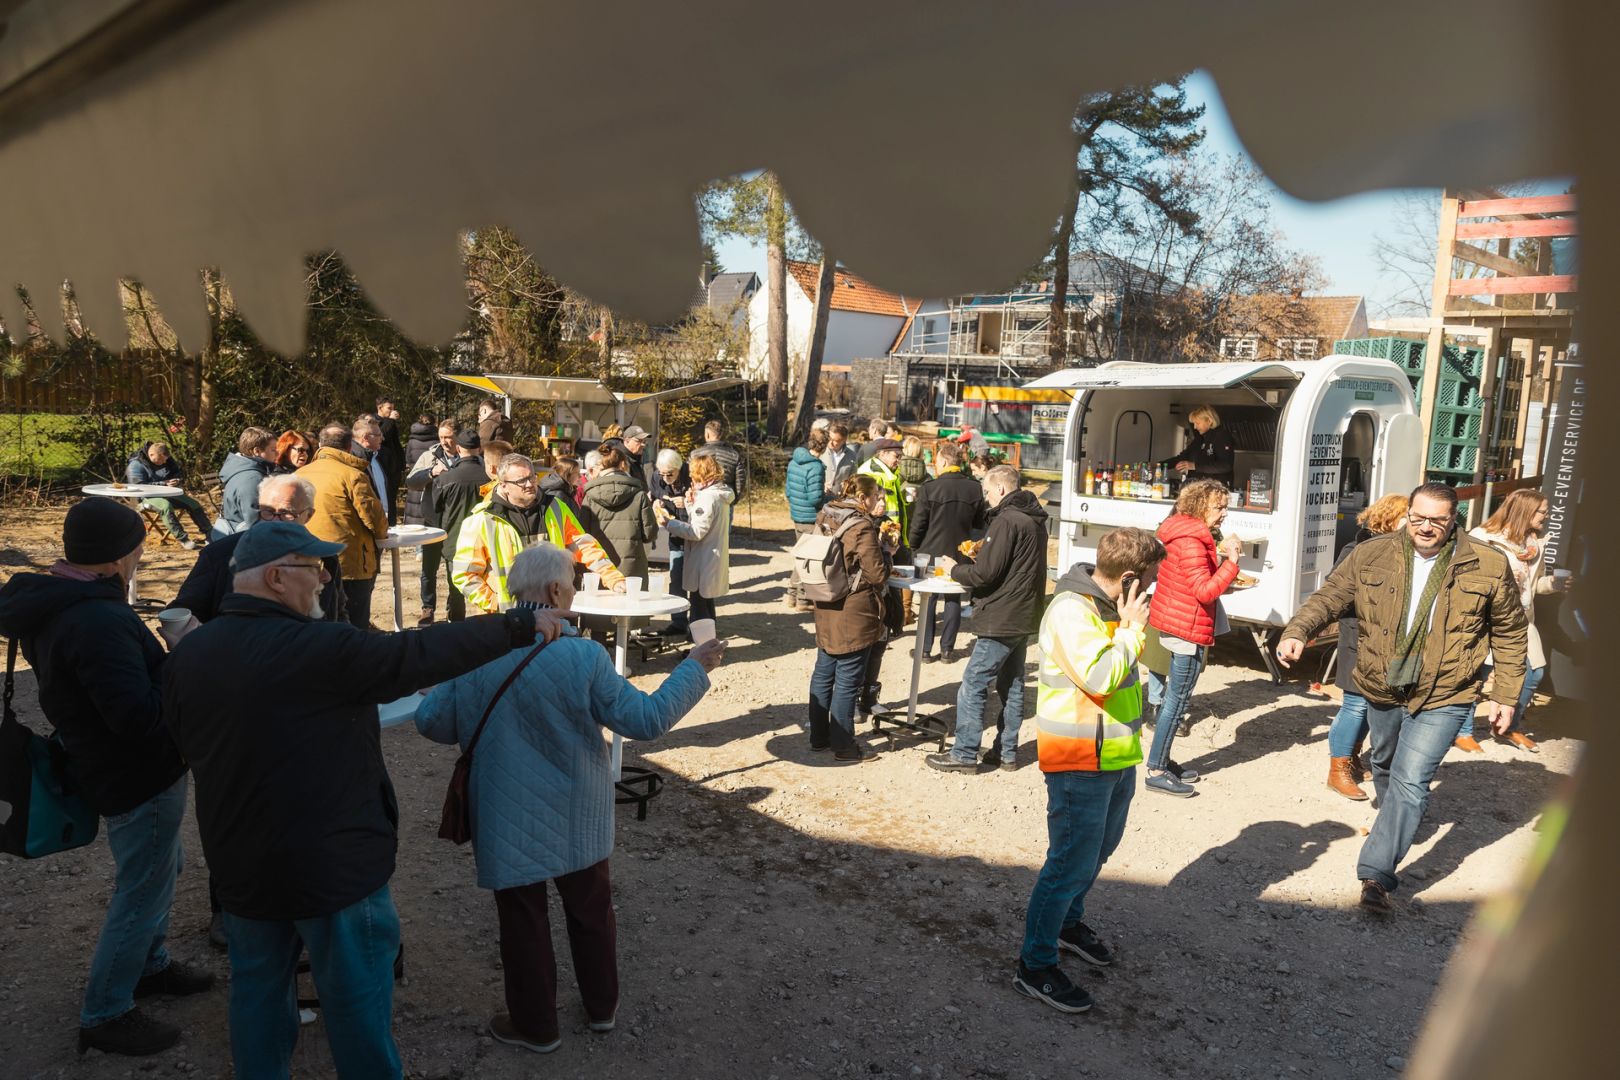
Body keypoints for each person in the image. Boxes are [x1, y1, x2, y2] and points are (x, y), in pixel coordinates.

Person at [162, 521, 572, 1080]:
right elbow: (417, 653)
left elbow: (182, 741)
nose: (325, 579)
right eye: (314, 568)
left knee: (257, 994)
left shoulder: (191, 653)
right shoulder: (322, 649)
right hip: (334, 868)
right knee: (357, 1004)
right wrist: (517, 624)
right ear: (276, 578)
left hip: (241, 863)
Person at [416, 544, 724, 1052]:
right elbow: (645, 720)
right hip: (578, 808)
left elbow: (433, 723)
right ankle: (601, 1008)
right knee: (591, 911)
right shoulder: (584, 656)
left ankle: (536, 1027)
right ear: (556, 590)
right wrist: (694, 667)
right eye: (573, 584)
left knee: (522, 921)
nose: (576, 591)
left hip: (505, 810)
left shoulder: (476, 650)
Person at [0, 498, 214, 1057]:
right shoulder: (97, 619)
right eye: (138, 545)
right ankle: (106, 1011)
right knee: (142, 887)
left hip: (103, 761)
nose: (141, 553)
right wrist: (182, 660)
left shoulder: (59, 600)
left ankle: (149, 964)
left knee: (161, 868)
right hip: (136, 773)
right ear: (119, 556)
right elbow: (136, 718)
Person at [1277, 482, 1528, 913]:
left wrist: (1506, 693)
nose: (1425, 527)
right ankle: (1391, 823)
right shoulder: (1371, 554)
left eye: (1437, 520)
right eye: (1418, 518)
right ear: (1407, 514)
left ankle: (1376, 874)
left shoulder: (1487, 563)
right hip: (1383, 683)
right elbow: (1330, 597)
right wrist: (1298, 630)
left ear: (1453, 520)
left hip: (1447, 690)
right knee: (1385, 765)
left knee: (1411, 780)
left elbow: (1509, 632)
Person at [1015, 527, 1164, 1014]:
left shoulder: (1107, 606)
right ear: (1129, 577)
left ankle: (1066, 924)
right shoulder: (1072, 611)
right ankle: (1035, 965)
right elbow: (1101, 677)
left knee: (1097, 851)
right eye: (1150, 580)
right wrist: (1132, 631)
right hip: (1079, 760)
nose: (1153, 589)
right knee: (1068, 863)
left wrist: (1127, 627)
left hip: (1114, 756)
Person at [927, 464, 1048, 773]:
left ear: (1001, 489)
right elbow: (1009, 566)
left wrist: (955, 569)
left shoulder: (1007, 520)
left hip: (1003, 615)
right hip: (1023, 613)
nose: (986, 498)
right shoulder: (1033, 520)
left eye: (987, 491)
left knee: (974, 682)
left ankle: (964, 753)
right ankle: (1006, 752)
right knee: (1012, 684)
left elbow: (985, 574)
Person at [1141, 479, 1241, 796]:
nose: (1224, 513)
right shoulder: (1193, 542)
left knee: (1176, 699)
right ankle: (1156, 769)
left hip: (1180, 621)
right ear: (1200, 506)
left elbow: (1193, 583)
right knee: (1177, 701)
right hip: (1186, 628)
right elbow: (1204, 591)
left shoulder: (1184, 534)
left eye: (1225, 507)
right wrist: (1232, 562)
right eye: (1219, 507)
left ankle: (1163, 760)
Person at [170, 474, 346, 630]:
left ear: (308, 515)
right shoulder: (220, 555)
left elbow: (337, 611)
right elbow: (183, 611)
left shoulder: (325, 557)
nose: (275, 521)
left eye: (287, 513)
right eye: (268, 512)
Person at [1465, 488, 1569, 753]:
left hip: (1521, 620)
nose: (1546, 516)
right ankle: (1462, 731)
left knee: (1533, 673)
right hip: (1487, 619)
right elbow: (1466, 577)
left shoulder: (1533, 545)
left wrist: (1553, 583)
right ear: (1525, 511)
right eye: (1542, 511)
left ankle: (1506, 727)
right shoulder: (1483, 537)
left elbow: (1534, 585)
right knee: (1478, 674)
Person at [455, 453, 623, 612]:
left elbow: (585, 546)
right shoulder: (483, 520)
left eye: (531, 477)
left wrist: (612, 578)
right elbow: (464, 574)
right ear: (504, 485)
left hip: (552, 612)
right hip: (505, 619)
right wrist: (494, 603)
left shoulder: (555, 507)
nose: (529, 484)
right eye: (521, 481)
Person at [1324, 494, 1408, 800]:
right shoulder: (1357, 548)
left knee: (1372, 702)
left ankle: (1353, 757)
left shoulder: (1404, 552)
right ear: (1390, 519)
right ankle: (1337, 771)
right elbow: (1334, 591)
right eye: (1407, 516)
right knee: (1356, 704)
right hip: (1358, 637)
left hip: (1387, 642)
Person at [806, 474, 892, 763]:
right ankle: (844, 747)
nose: (878, 501)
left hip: (825, 600)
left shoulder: (826, 514)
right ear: (863, 498)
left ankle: (819, 738)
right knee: (847, 680)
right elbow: (876, 574)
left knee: (823, 673)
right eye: (876, 496)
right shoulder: (862, 526)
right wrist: (887, 552)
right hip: (853, 611)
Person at [301, 422, 390, 629]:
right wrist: (382, 534)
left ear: (320, 445)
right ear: (349, 447)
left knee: (318, 623)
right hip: (350, 564)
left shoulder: (299, 474)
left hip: (307, 561)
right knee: (354, 625)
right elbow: (375, 520)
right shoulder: (354, 476)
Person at [907, 440, 986, 662]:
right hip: (959, 553)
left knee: (929, 599)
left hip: (931, 552)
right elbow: (979, 524)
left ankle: (924, 650)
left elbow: (918, 524)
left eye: (936, 461)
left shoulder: (930, 488)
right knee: (953, 599)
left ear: (943, 461)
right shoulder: (974, 488)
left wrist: (913, 546)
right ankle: (947, 650)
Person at [656, 452, 732, 636]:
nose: (690, 476)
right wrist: (691, 505)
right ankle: (708, 640)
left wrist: (669, 524)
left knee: (699, 606)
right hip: (711, 556)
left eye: (693, 473)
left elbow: (696, 532)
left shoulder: (707, 497)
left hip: (702, 560)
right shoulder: (719, 493)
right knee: (706, 602)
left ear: (701, 474)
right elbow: (704, 522)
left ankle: (701, 644)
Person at [430, 429, 488, 623]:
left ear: (459, 448)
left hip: (455, 539)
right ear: (479, 449)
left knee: (456, 587)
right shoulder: (491, 478)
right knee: (488, 586)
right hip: (485, 540)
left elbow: (436, 507)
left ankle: (457, 625)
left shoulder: (446, 479)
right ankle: (488, 625)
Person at [405, 419, 458, 625]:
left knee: (455, 569)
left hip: (457, 521)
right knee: (429, 569)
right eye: (441, 437)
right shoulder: (430, 455)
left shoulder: (469, 456)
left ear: (457, 437)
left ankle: (455, 608)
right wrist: (430, 472)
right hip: (432, 520)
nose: (444, 441)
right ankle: (427, 608)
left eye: (449, 437)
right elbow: (411, 481)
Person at [581, 444, 657, 582]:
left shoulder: (590, 496)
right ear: (622, 464)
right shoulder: (639, 495)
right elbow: (650, 534)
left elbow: (583, 534)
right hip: (632, 569)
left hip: (602, 568)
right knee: (633, 596)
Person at [858, 436, 914, 626]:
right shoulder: (871, 472)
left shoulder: (891, 471)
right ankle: (884, 623)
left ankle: (897, 619)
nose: (899, 460)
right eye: (896, 456)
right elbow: (868, 506)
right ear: (882, 454)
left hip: (893, 535)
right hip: (879, 535)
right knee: (883, 583)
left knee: (897, 579)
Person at [126, 440, 211, 549]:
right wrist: (163, 484)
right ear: (151, 455)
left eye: (165, 460)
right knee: (165, 506)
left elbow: (177, 472)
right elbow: (139, 487)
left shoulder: (167, 459)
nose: (164, 462)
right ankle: (183, 539)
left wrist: (176, 480)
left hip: (167, 493)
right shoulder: (136, 465)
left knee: (193, 504)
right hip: (145, 497)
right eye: (161, 460)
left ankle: (210, 533)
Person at [784, 428, 829, 611]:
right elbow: (815, 499)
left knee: (802, 556)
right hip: (810, 517)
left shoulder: (794, 462)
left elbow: (788, 491)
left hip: (797, 515)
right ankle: (802, 598)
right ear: (824, 446)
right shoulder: (816, 467)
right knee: (808, 559)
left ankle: (792, 594)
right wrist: (827, 495)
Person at [649, 448, 691, 638]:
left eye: (670, 474)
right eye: (662, 474)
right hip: (674, 533)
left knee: (696, 582)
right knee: (676, 576)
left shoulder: (691, 475)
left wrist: (688, 503)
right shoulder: (656, 477)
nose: (666, 478)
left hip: (693, 531)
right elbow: (654, 495)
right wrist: (656, 503)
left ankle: (698, 624)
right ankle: (679, 621)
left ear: (679, 468)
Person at [213, 426, 277, 538]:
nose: (277, 453)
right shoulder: (252, 478)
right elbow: (255, 523)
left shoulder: (240, 470)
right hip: (242, 540)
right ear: (257, 451)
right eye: (273, 450)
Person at [1161, 404, 1234, 486]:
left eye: (1197, 423)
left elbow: (1226, 465)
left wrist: (1194, 466)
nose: (1195, 427)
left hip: (1215, 488)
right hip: (1197, 487)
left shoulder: (1221, 436)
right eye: (1194, 424)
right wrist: (1158, 465)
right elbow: (1182, 458)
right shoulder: (1199, 439)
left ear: (1209, 421)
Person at [373, 397, 405, 524]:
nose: (392, 411)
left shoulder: (389, 422)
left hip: (394, 468)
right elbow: (382, 436)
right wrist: (390, 420)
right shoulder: (374, 421)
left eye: (393, 408)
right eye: (389, 408)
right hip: (383, 467)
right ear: (380, 408)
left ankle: (392, 524)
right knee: (385, 499)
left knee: (392, 499)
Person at [696, 418, 745, 498]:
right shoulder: (734, 455)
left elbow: (688, 478)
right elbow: (740, 480)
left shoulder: (695, 455)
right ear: (721, 434)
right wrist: (735, 498)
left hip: (701, 497)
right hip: (726, 497)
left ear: (707, 435)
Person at [352, 414, 390, 515]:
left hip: (380, 517)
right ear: (365, 437)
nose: (382, 438)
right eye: (378, 435)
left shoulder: (375, 456)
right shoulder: (353, 460)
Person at [822, 421, 857, 494]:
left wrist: (846, 488)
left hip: (839, 498)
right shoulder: (820, 452)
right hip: (820, 496)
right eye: (830, 438)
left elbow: (853, 480)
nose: (831, 442)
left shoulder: (853, 456)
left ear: (844, 440)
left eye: (836, 440)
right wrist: (822, 485)